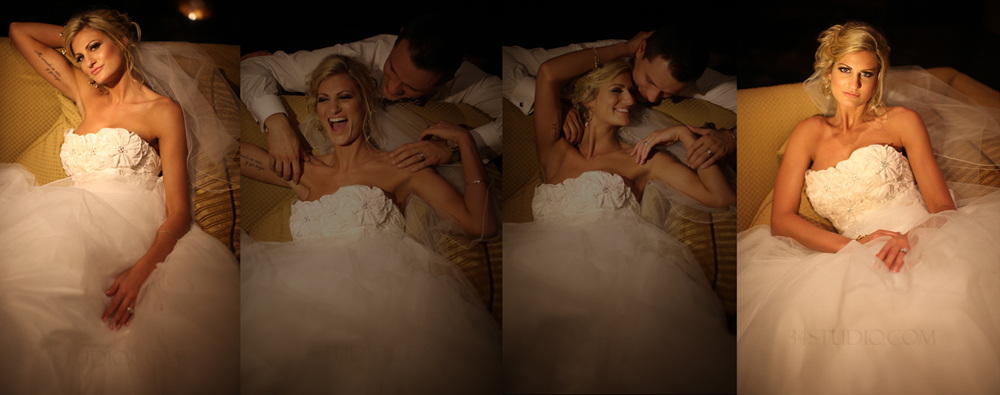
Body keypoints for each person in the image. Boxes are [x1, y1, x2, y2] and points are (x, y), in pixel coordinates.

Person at [737, 21, 1000, 393]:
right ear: (828, 71)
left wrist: (910, 238)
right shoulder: (807, 133)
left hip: (926, 238)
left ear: (878, 78)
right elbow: (781, 220)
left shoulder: (902, 121)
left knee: (949, 309)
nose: (854, 84)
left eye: (866, 74)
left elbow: (943, 206)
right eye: (845, 70)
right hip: (851, 252)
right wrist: (856, 246)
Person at [1, 8, 239, 393]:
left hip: (130, 227)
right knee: (19, 292)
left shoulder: (162, 111)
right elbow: (18, 30)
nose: (87, 62)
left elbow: (178, 214)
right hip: (64, 220)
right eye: (78, 56)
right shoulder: (83, 89)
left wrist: (143, 269)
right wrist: (77, 34)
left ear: (123, 41)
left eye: (95, 47)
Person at [239, 54, 500, 394]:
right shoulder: (302, 170)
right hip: (298, 307)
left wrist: (465, 143)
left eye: (344, 97)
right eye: (323, 99)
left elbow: (480, 226)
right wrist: (277, 126)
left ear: (366, 103)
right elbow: (228, 150)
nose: (333, 109)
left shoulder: (400, 167)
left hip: (385, 308)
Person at [502, 40, 736, 393]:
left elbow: (721, 198)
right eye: (617, 90)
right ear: (587, 99)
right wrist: (626, 48)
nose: (630, 100)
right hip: (537, 269)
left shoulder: (641, 159)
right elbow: (548, 74)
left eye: (631, 92)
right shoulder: (553, 151)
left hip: (618, 276)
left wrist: (685, 136)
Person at [241, 13, 501, 185]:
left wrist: (454, 148)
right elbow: (254, 67)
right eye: (392, 69)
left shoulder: (470, 79)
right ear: (398, 39)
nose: (392, 87)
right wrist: (276, 123)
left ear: (445, 82)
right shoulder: (356, 58)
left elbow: (515, 119)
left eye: (409, 88)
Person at [503, 25, 737, 170]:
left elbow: (752, 102)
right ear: (641, 49)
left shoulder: (696, 78)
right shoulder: (605, 53)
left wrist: (731, 136)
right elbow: (507, 59)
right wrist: (550, 103)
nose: (653, 97)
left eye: (667, 94)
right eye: (650, 81)